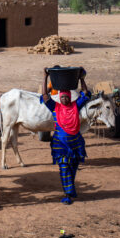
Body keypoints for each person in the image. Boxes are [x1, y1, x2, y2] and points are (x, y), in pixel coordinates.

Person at [41, 68, 91, 205]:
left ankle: (71, 189)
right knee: (64, 168)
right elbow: (45, 96)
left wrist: (81, 78)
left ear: (70, 97)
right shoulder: (55, 107)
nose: (64, 99)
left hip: (75, 143)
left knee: (73, 168)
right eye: (62, 97)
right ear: (59, 98)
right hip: (60, 145)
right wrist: (45, 77)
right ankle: (67, 194)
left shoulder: (76, 106)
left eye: (66, 97)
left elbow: (86, 94)